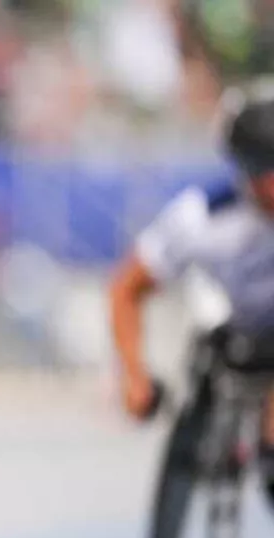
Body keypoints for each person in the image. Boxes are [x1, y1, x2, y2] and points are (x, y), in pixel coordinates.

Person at [109, 89, 274, 502]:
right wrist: (134, 376)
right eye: (264, 170)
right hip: (239, 329)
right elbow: (126, 290)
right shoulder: (199, 217)